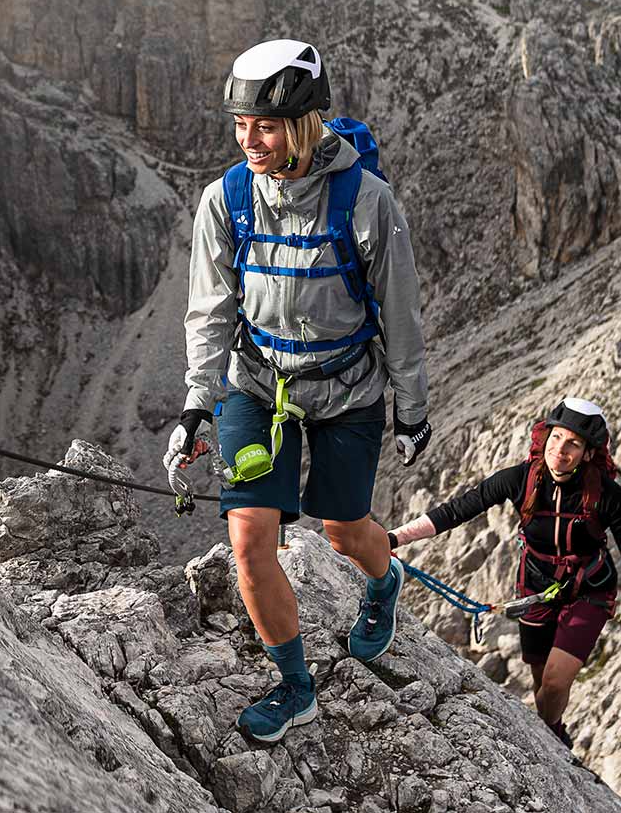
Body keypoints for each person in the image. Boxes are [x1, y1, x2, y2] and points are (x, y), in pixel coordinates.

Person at [163, 38, 432, 743]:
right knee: (250, 537)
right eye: (240, 125)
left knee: (344, 529)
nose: (249, 140)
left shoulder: (368, 202)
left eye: (266, 125)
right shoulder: (224, 200)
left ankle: (382, 584)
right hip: (256, 385)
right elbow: (209, 310)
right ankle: (294, 684)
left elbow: (398, 313)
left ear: (305, 123)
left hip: (346, 390)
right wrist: (196, 402)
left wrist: (413, 408)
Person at [389, 397, 621, 748]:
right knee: (540, 679)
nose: (560, 450)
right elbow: (458, 510)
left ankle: (550, 747)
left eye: (573, 444)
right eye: (557, 438)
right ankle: (556, 731)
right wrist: (395, 537)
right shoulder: (523, 479)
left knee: (557, 681)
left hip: (588, 591)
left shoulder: (608, 496)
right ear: (545, 438)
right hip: (534, 589)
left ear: (588, 453)